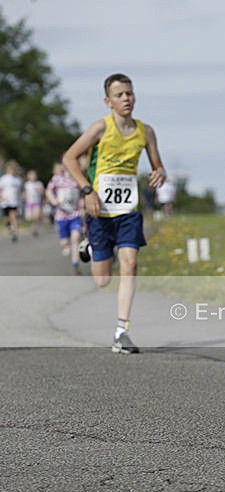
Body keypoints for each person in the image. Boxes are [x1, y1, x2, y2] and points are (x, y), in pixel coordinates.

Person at [62, 73, 166, 354]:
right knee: (103, 279)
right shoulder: (100, 128)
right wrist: (87, 190)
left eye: (129, 93)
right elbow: (69, 158)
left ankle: (122, 331)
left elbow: (158, 166)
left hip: (128, 211)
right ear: (108, 101)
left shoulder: (146, 132)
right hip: (99, 210)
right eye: (119, 95)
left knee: (130, 263)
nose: (126, 99)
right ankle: (90, 245)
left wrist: (160, 173)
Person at [45, 161, 84, 273]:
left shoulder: (78, 179)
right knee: (64, 242)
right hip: (61, 215)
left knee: (75, 238)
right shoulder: (57, 179)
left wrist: (82, 202)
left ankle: (75, 262)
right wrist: (53, 200)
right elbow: (48, 190)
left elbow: (83, 193)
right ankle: (66, 245)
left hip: (75, 214)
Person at [0, 161, 23, 242]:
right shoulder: (4, 179)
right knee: (6, 219)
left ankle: (15, 233)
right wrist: (1, 197)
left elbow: (20, 190)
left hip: (15, 201)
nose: (12, 171)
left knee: (14, 216)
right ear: (7, 170)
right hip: (5, 202)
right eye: (11, 169)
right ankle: (9, 227)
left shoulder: (18, 179)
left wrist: (22, 197)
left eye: (14, 169)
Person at [23, 169, 45, 237]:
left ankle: (35, 229)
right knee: (29, 217)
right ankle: (33, 225)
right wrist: (24, 197)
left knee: (36, 216)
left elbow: (42, 191)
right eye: (31, 175)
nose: (33, 176)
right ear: (28, 176)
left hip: (37, 202)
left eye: (34, 175)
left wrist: (40, 190)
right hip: (29, 202)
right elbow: (24, 192)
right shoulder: (27, 184)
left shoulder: (39, 183)